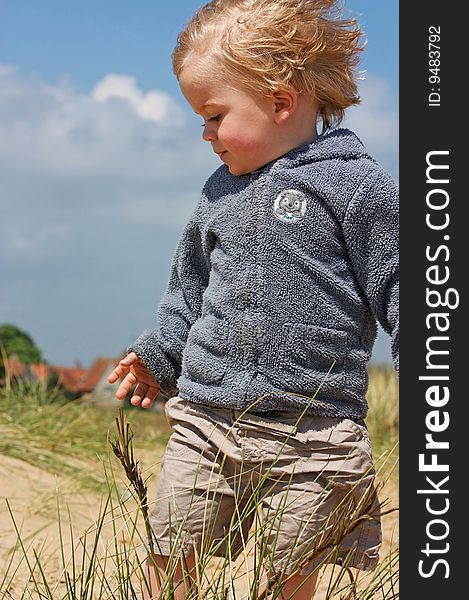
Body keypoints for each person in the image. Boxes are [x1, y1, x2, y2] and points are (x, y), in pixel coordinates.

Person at [108, 0, 399, 598]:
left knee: (291, 575)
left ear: (280, 101)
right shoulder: (219, 192)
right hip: (208, 420)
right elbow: (187, 291)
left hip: (316, 434)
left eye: (214, 115)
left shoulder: (359, 187)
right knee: (169, 553)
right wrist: (157, 354)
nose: (205, 133)